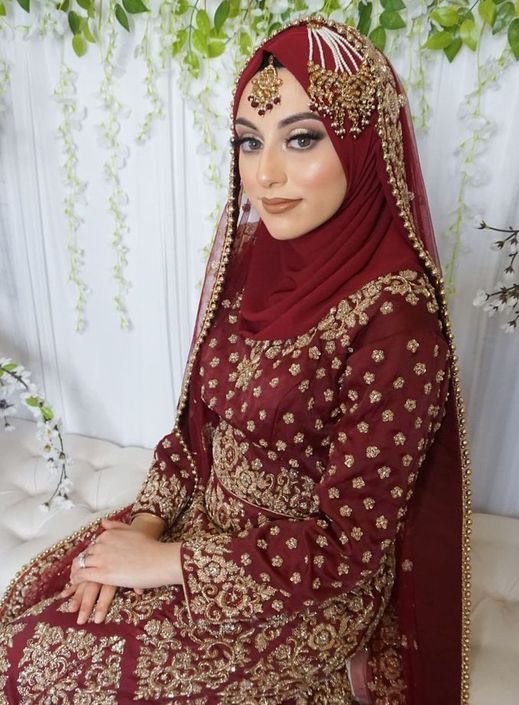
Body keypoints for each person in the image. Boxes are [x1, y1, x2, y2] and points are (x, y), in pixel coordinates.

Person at [0, 15, 472, 705]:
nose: (265, 174)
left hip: (301, 592)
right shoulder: (255, 264)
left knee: (45, 672)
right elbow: (196, 433)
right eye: (248, 143)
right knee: (25, 639)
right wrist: (139, 530)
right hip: (196, 529)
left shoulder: (397, 327)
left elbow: (350, 547)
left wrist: (164, 563)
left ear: (364, 145)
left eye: (302, 138)